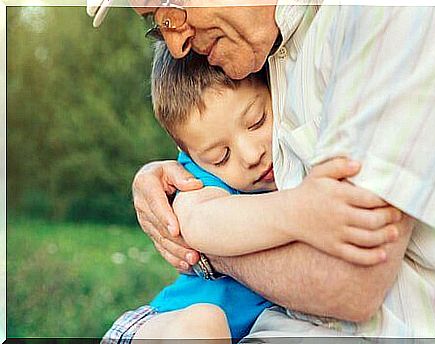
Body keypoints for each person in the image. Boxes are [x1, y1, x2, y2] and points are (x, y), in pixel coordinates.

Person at [89, 1, 435, 339]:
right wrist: (185, 211)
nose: (176, 45)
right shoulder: (262, 48)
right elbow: (200, 201)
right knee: (200, 326)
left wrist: (201, 243)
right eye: (156, 25)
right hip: (176, 324)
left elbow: (349, 282)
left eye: (170, 7)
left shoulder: (377, 19)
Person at [103, 41, 400, 342]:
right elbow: (199, 222)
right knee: (204, 325)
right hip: (163, 325)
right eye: (221, 155)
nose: (250, 155)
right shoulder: (197, 179)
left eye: (257, 121)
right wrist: (300, 210)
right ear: (189, 154)